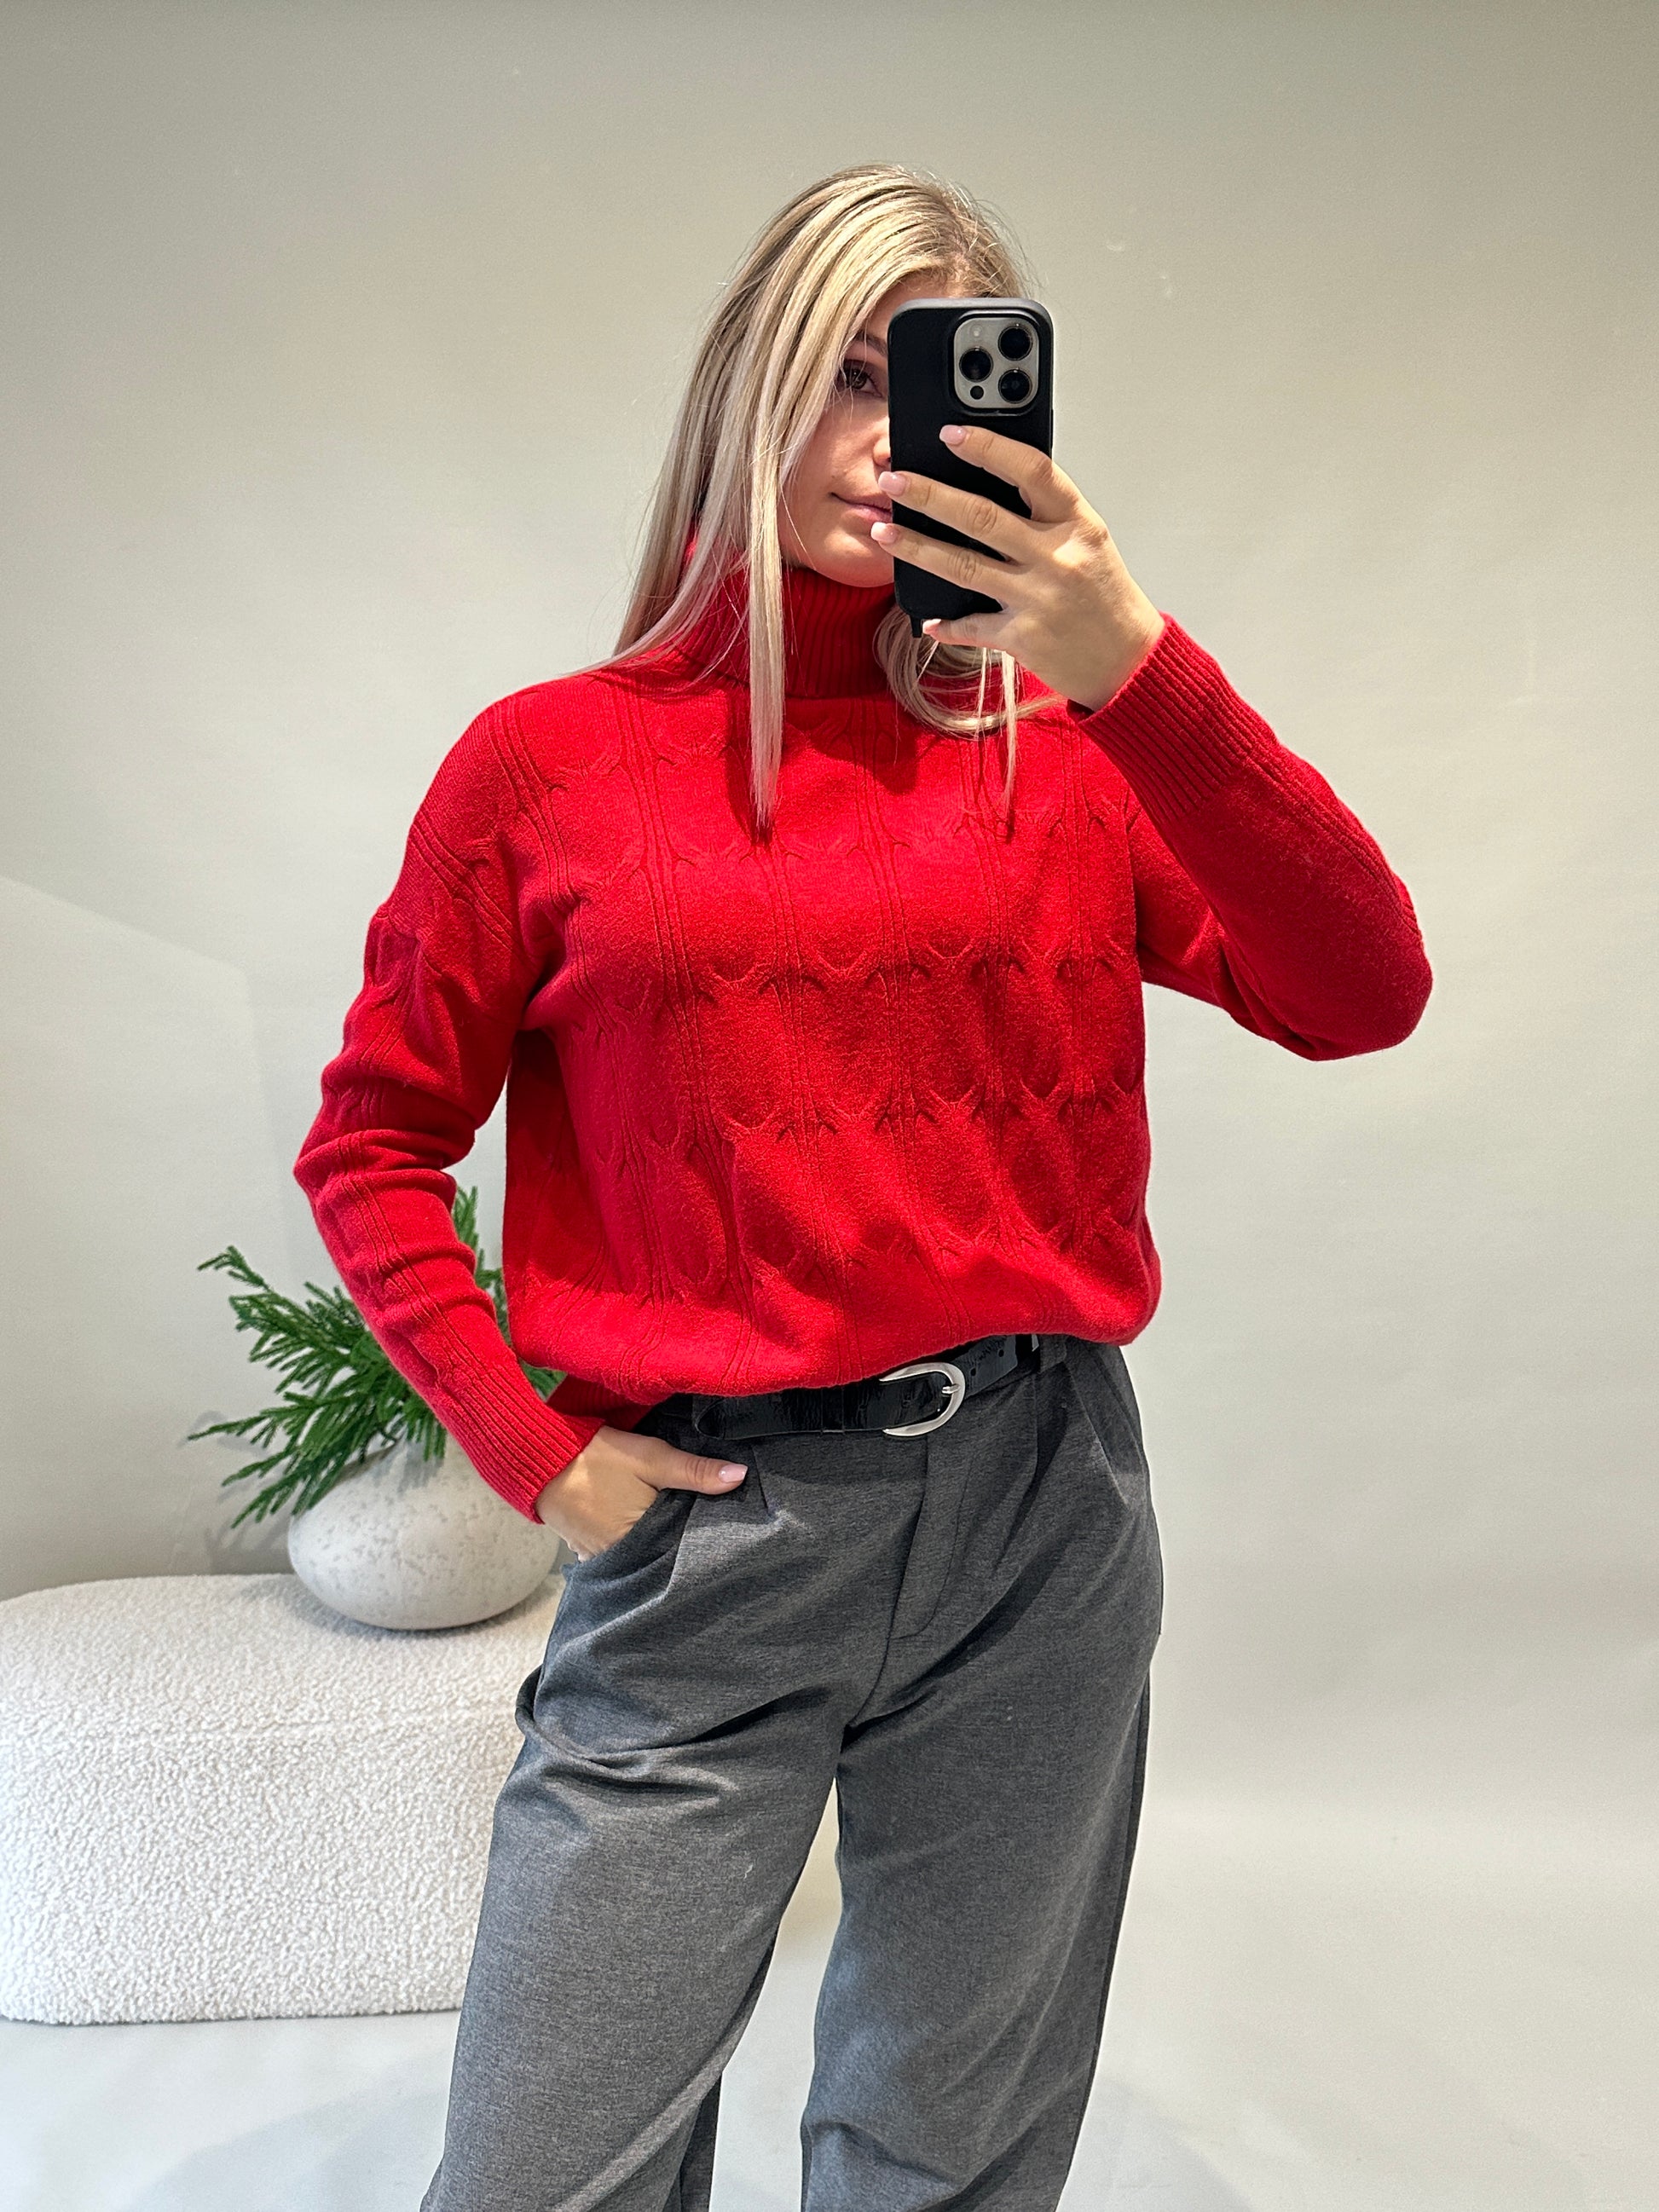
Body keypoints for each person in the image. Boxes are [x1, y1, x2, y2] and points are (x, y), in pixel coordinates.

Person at [293, 162, 1431, 2212]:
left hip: (1038, 1508)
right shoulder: (544, 769)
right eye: (843, 375)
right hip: (707, 1532)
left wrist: (1134, 662)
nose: (884, 442)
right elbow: (371, 1139)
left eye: (933, 387)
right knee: (545, 2168)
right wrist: (534, 1446)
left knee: (953, 2153)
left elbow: (1363, 988)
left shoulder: (1062, 748)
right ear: (743, 383)